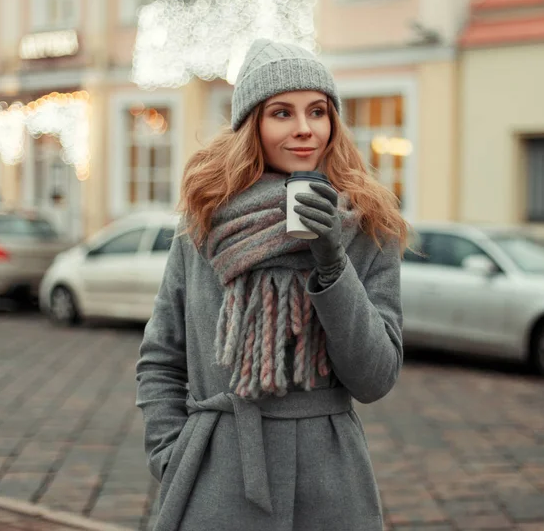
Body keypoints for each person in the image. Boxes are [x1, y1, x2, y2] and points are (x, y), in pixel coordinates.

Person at [136, 39, 409, 531]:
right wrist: (172, 454)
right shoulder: (204, 225)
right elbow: (161, 357)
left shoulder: (369, 227)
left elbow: (376, 377)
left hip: (332, 483)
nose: (305, 129)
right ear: (253, 125)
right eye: (282, 112)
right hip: (217, 473)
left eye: (318, 112)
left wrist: (332, 263)